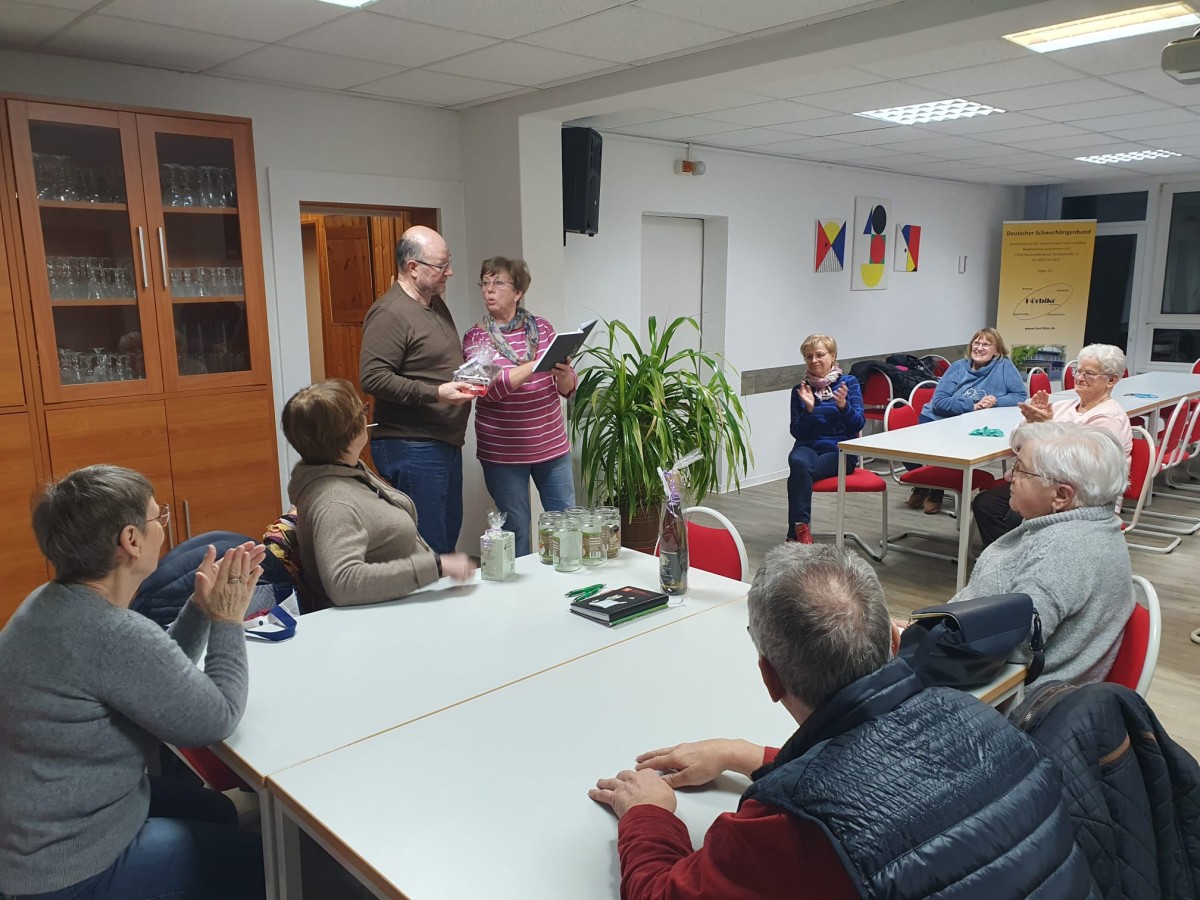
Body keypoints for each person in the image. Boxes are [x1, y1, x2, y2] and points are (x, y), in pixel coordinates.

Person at [589, 544, 1092, 899]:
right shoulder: (977, 716)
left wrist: (648, 813)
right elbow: (887, 777)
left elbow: (663, 893)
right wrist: (746, 755)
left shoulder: (790, 828)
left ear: (769, 678)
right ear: (894, 641)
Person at [0, 465, 266, 900]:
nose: (164, 527)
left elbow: (147, 674)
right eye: (159, 517)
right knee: (267, 863)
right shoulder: (111, 631)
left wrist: (200, 608)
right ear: (131, 540)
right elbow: (216, 719)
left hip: (39, 831)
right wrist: (228, 618)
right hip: (67, 869)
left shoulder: (49, 602)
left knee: (217, 810)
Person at [952, 421, 1133, 684]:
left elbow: (1001, 652)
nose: (1008, 476)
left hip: (998, 693)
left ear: (1061, 495)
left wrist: (920, 642)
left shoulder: (1060, 553)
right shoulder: (1094, 527)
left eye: (1020, 469)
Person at [282, 379, 475, 609]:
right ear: (349, 434)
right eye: (362, 411)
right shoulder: (334, 502)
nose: (366, 417)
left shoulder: (346, 469)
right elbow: (344, 583)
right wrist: (437, 566)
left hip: (401, 604)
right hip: (375, 620)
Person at [360, 225, 475, 555]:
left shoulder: (434, 303)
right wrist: (437, 393)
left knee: (445, 538)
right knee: (427, 548)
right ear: (412, 267)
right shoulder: (389, 313)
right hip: (412, 445)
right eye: (441, 265)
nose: (449, 272)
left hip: (443, 442)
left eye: (448, 262)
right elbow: (373, 378)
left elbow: (433, 362)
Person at [462, 256, 577, 556]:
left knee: (565, 524)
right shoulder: (477, 338)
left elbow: (567, 387)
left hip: (551, 447)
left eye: (498, 283)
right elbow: (490, 388)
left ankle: (565, 580)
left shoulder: (544, 329)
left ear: (518, 292)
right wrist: (537, 365)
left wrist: (564, 375)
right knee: (516, 531)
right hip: (503, 453)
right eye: (485, 283)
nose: (489, 289)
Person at [973, 343, 1133, 550]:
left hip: (1082, 493)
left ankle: (1030, 557)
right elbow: (1015, 443)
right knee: (986, 504)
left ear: (1111, 380)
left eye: (1089, 374)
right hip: (1043, 480)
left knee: (1017, 513)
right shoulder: (1062, 406)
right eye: (1078, 371)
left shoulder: (1109, 417)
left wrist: (1045, 426)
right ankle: (1003, 556)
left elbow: (1078, 467)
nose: (1079, 377)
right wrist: (1030, 423)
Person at [906, 327, 1026, 514]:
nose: (979, 348)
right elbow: (939, 402)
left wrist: (995, 400)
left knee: (953, 449)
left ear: (997, 350)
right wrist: (973, 405)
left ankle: (933, 489)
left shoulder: (1004, 366)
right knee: (908, 448)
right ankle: (927, 487)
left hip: (968, 423)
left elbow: (1020, 395)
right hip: (937, 419)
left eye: (986, 344)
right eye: (976, 343)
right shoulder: (958, 367)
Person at [786, 333, 863, 544]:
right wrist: (809, 410)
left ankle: (795, 534)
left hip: (839, 450)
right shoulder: (800, 390)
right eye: (809, 356)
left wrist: (844, 407)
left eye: (820, 354)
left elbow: (858, 424)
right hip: (808, 446)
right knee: (798, 461)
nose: (814, 360)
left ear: (833, 356)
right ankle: (801, 529)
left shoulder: (849, 383)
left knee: (800, 472)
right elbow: (797, 431)